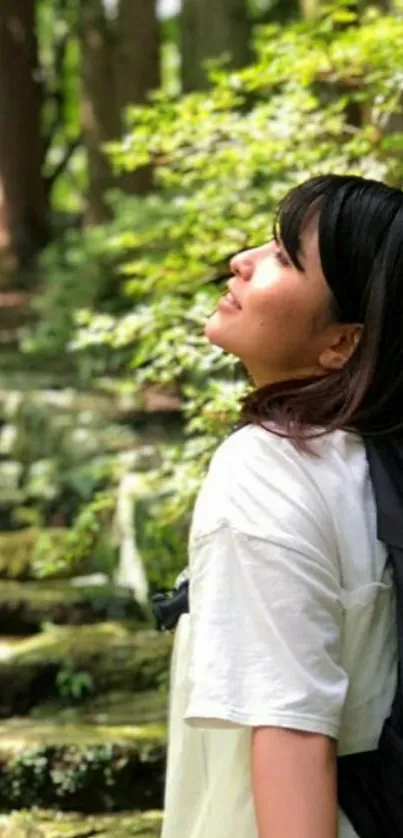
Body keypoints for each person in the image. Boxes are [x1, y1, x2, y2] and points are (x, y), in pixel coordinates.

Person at [161, 174, 402, 838]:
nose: (241, 260)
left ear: (343, 342)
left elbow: (292, 731)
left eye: (285, 257)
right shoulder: (369, 464)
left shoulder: (269, 470)